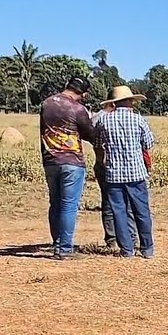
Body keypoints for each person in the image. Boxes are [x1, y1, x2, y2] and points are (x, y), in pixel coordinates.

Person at [92, 85, 156, 258]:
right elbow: (148, 143)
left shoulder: (104, 121)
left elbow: (98, 144)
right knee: (141, 211)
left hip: (114, 173)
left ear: (114, 103)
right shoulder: (138, 119)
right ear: (129, 102)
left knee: (118, 212)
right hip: (136, 173)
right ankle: (147, 248)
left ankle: (126, 249)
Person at [39, 75, 96, 260]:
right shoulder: (77, 108)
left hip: (50, 160)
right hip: (72, 161)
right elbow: (90, 134)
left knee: (55, 204)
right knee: (69, 206)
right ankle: (64, 249)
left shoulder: (47, 103)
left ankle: (57, 243)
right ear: (83, 94)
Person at [89, 107, 137, 250]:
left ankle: (112, 239)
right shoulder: (122, 118)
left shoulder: (97, 118)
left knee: (108, 202)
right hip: (122, 166)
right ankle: (130, 239)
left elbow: (95, 143)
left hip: (104, 165)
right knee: (126, 203)